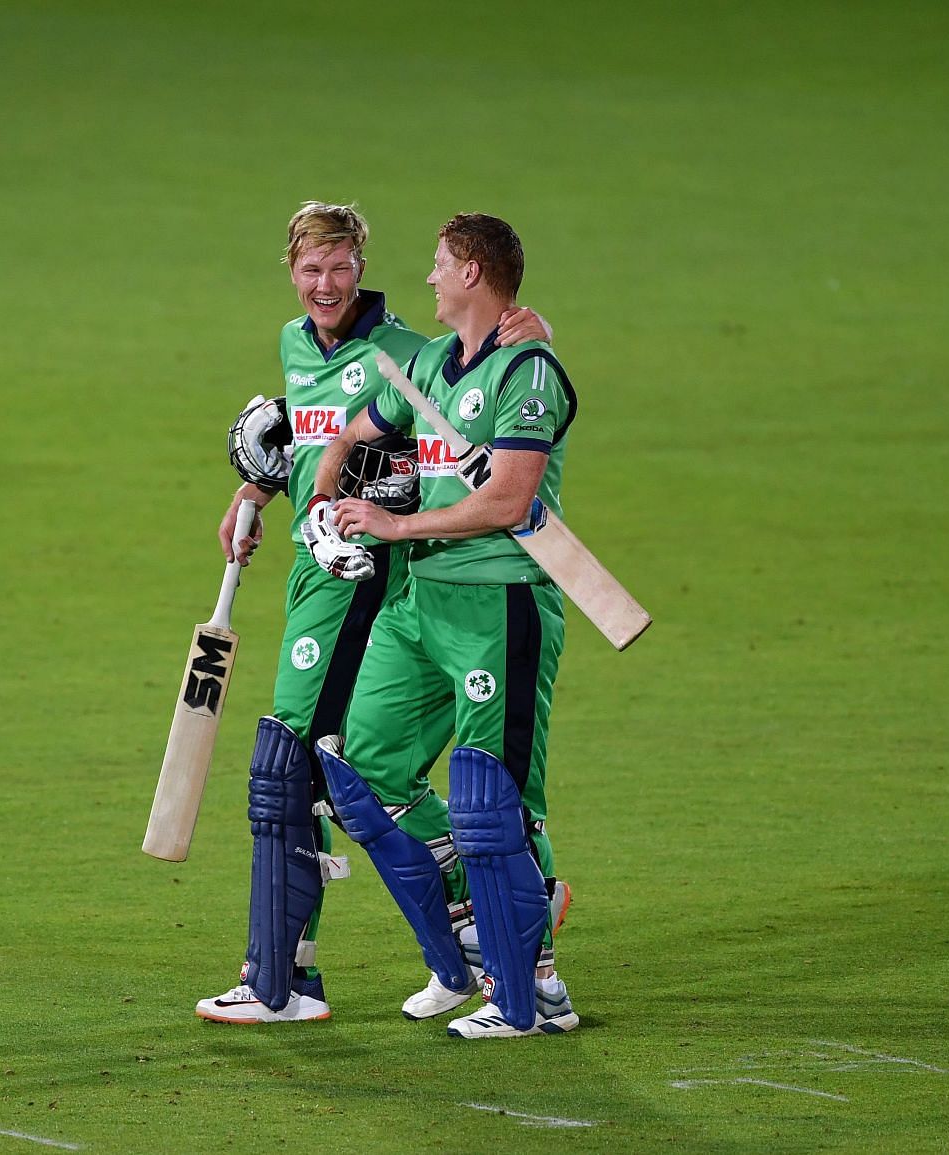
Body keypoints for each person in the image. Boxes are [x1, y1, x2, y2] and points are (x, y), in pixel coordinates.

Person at [195, 202, 549, 1024]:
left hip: (368, 583)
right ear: (291, 270)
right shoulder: (293, 342)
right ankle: (469, 922)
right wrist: (260, 484)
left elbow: (438, 449)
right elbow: (323, 440)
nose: (326, 284)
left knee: (293, 766)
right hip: (310, 572)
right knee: (351, 769)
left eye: (341, 266)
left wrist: (527, 333)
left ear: (362, 263)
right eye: (311, 269)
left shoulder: (407, 351)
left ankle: (282, 977)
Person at [311, 212, 579, 1039]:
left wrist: (392, 527)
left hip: (499, 602)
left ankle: (530, 990)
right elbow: (357, 430)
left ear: (472, 272)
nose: (426, 278)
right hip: (419, 609)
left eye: (437, 265)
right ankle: (489, 912)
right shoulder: (427, 363)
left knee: (493, 802)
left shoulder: (530, 370)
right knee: (365, 765)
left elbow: (507, 500)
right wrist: (324, 500)